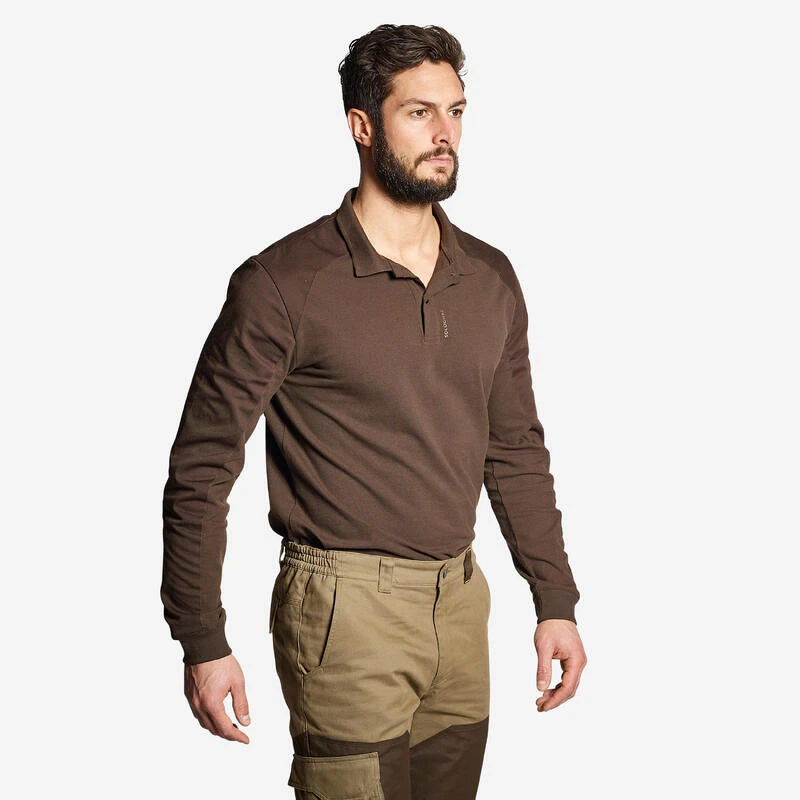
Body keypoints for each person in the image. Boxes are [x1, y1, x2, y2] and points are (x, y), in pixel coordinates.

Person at [161, 22, 587, 800]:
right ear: (362, 126)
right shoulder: (284, 283)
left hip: (460, 603)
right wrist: (201, 636)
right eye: (419, 113)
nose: (444, 133)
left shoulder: (488, 278)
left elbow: (516, 451)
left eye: (455, 111)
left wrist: (554, 600)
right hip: (345, 609)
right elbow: (203, 464)